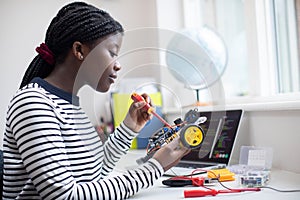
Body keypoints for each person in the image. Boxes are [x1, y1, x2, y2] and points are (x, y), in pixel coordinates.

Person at [2, 2, 189, 199]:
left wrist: (129, 127)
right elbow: (65, 196)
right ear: (79, 50)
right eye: (112, 53)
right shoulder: (33, 104)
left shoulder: (71, 107)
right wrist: (154, 167)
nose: (118, 66)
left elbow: (94, 174)